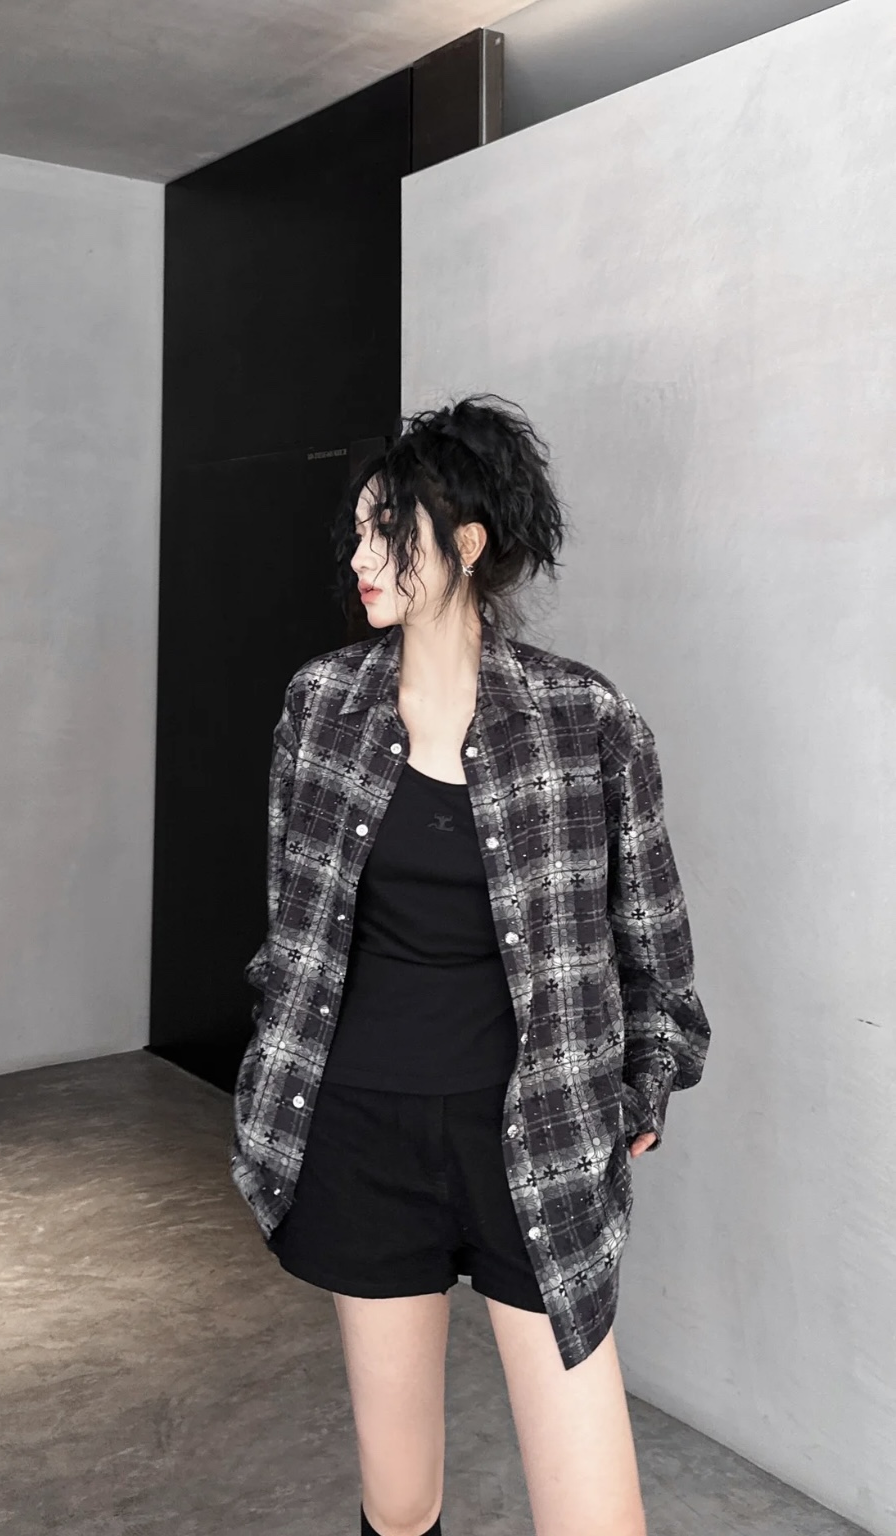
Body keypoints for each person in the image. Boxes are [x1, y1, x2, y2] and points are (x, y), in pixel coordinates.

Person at [230, 394, 710, 1536]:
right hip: (362, 1131)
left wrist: (639, 1090)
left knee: (596, 1518)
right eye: (354, 533)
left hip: (533, 1138)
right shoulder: (320, 708)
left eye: (383, 532)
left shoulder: (585, 721)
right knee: (400, 1502)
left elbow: (655, 949)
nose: (357, 558)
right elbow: (291, 933)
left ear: (467, 542)